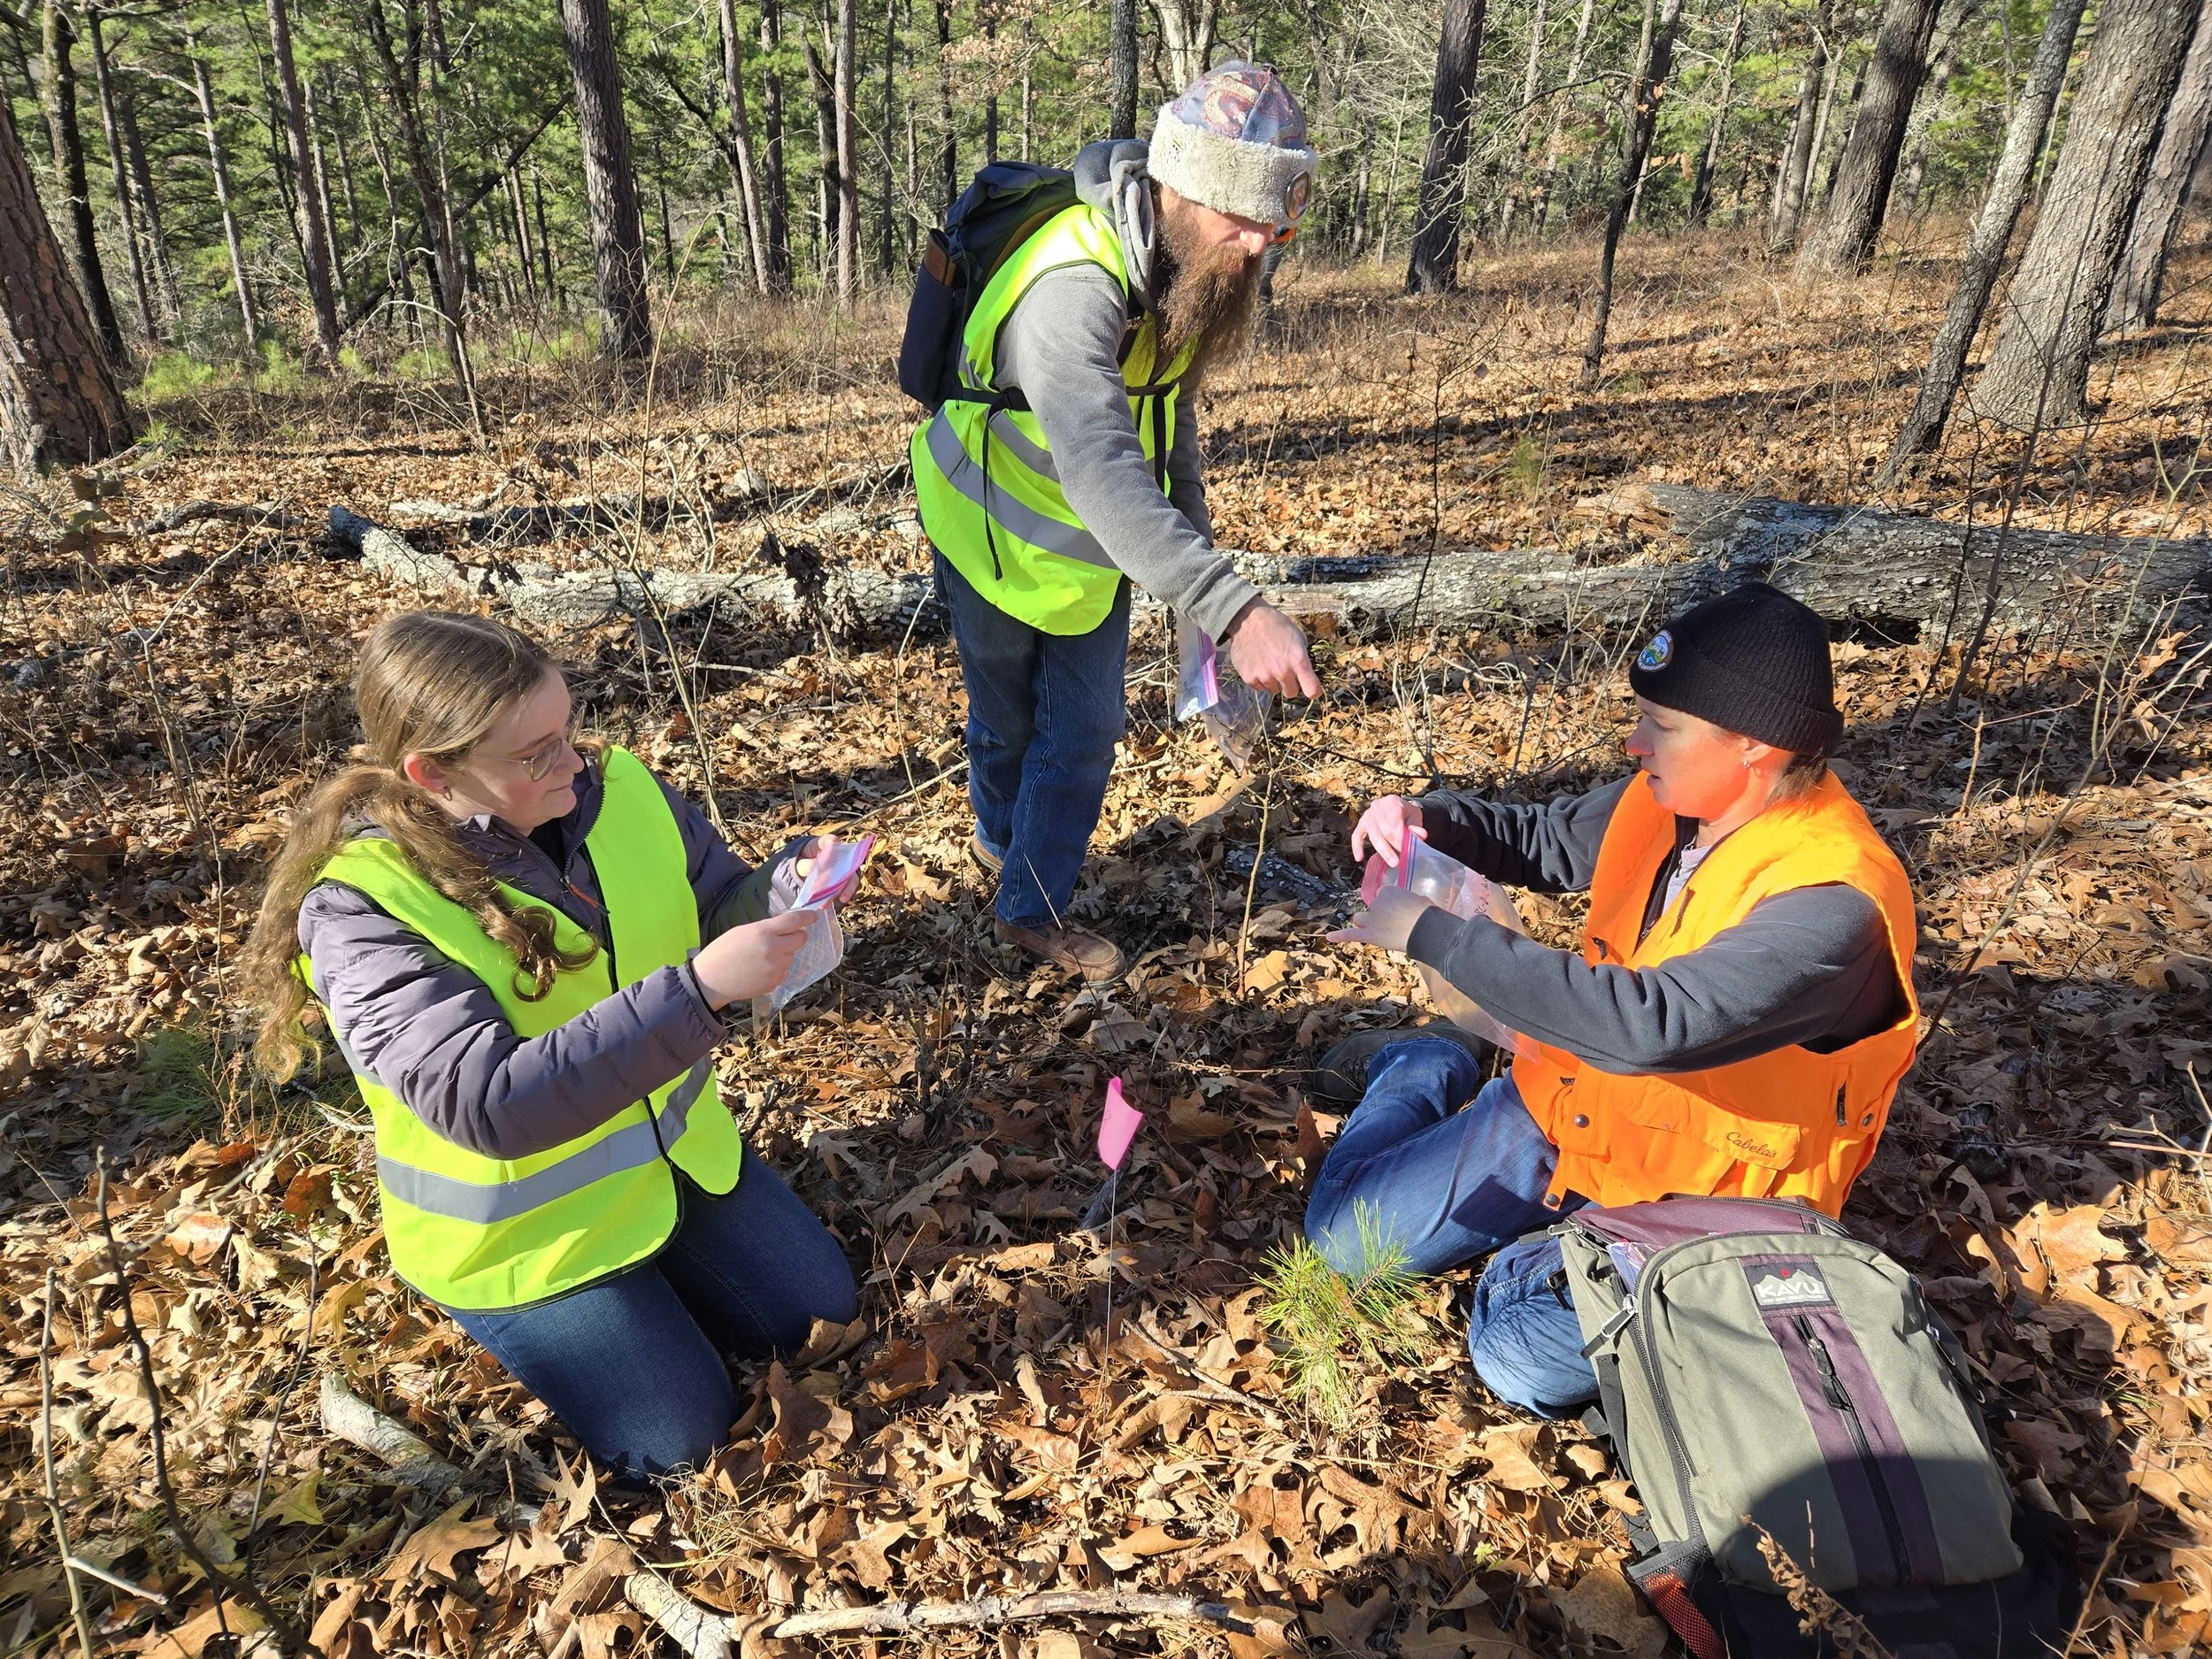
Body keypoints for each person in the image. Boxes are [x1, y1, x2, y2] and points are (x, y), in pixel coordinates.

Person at [242, 612, 859, 1477]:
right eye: (534, 754)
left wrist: (778, 895)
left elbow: (714, 902)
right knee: (679, 1444)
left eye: (566, 731)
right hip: (522, 1240)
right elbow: (488, 1101)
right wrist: (700, 988)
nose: (573, 763)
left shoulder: (622, 792)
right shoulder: (360, 910)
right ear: (431, 773)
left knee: (822, 1314)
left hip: (672, 1162)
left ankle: (660, 1286)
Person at [1313, 583, 1918, 1418]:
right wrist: (1427, 818)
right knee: (1340, 1246)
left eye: (1662, 726)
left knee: (1517, 1352)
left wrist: (1431, 934)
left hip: (1702, 1204)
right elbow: (1548, 839)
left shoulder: (1833, 902)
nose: (1636, 743)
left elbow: (1651, 1023)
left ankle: (1549, 1258)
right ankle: (1424, 1063)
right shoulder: (1674, 801)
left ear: (1756, 746)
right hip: (1567, 1110)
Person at [911, 62, 1325, 985]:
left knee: (1085, 727)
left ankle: (1031, 908)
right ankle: (996, 840)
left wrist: (1196, 590)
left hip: (1086, 547)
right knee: (1005, 721)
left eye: (1277, 224)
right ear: (1179, 186)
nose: (1259, 246)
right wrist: (1233, 605)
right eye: (1243, 220)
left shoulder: (1178, 269)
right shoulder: (1072, 283)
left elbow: (1163, 427)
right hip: (986, 527)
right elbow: (1098, 461)